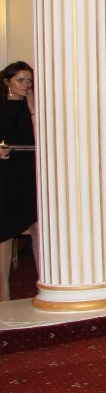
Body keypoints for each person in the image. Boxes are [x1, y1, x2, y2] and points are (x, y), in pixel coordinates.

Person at [1, 61, 38, 302]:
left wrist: (33, 110)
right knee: (5, 231)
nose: (26, 85)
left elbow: (41, 137)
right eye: (20, 80)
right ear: (7, 82)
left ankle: (45, 282)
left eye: (29, 80)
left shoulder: (33, 106)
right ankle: (4, 291)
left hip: (31, 170)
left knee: (38, 227)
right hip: (6, 172)